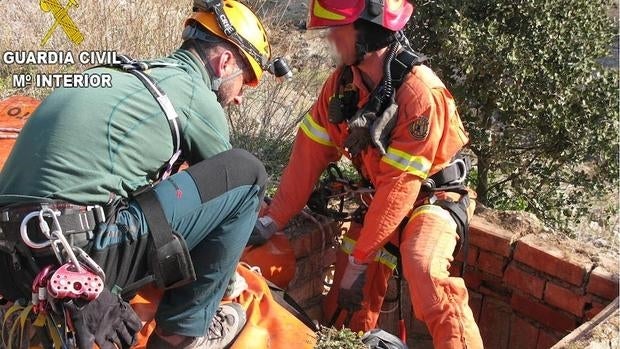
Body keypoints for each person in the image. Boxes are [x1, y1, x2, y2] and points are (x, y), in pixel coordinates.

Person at [0, 1, 280, 348]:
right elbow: (227, 194)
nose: (239, 99)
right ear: (225, 63)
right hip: (78, 258)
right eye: (245, 83)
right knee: (248, 174)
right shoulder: (194, 95)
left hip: (13, 264)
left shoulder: (123, 74)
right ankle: (181, 334)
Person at [252, 1, 484, 348]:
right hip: (379, 202)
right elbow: (308, 156)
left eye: (337, 30)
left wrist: (361, 262)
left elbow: (400, 188)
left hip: (432, 200)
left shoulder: (419, 94)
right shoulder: (341, 85)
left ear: (367, 33)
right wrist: (272, 220)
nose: (330, 37)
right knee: (344, 304)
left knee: (424, 269)